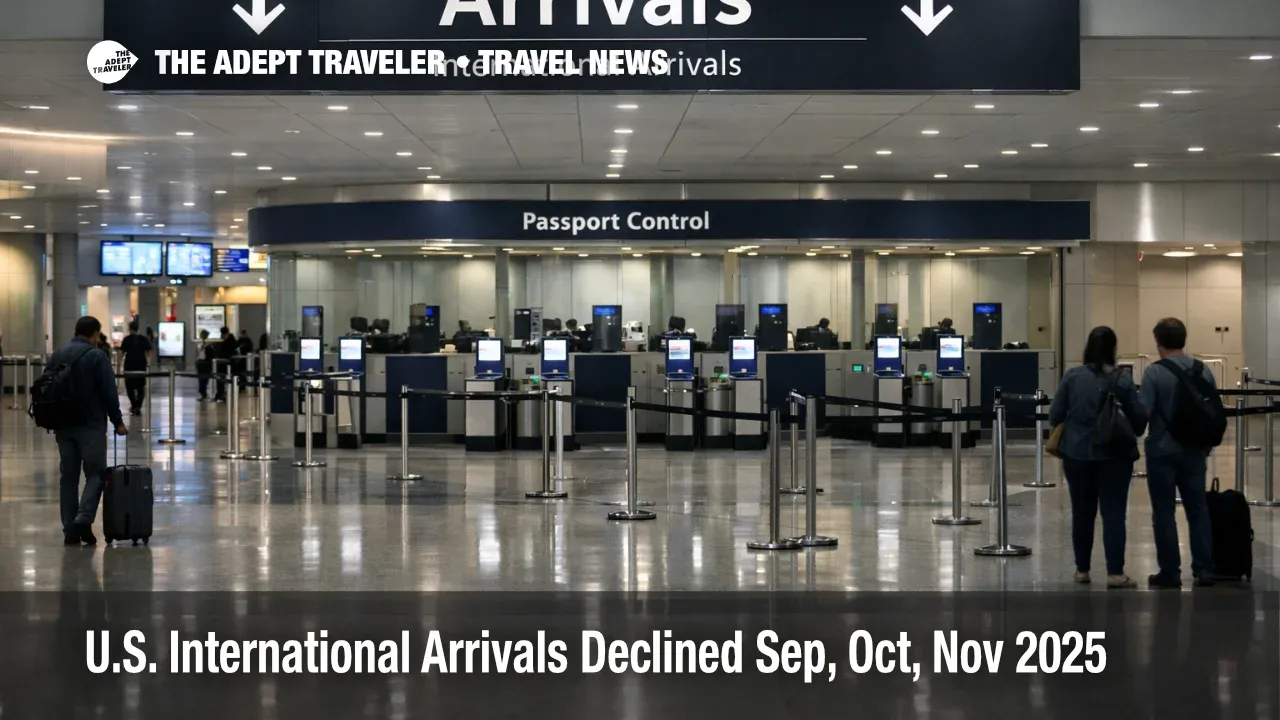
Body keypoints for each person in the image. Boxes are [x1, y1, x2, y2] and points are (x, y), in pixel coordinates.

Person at [1048, 326, 1148, 588]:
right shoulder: (1123, 379)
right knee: (1114, 513)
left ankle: (1082, 570)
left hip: (1077, 454)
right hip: (1115, 456)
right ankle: (1116, 573)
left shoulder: (1072, 377)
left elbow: (1055, 414)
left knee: (1082, 512)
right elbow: (1138, 420)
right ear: (1113, 349)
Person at [1140, 318, 1216, 588]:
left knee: (1164, 511)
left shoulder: (1154, 373)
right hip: (1195, 450)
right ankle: (1204, 569)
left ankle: (1170, 571)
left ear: (1158, 341)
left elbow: (1144, 413)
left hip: (1162, 450)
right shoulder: (1202, 370)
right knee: (1198, 509)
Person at [46, 316, 128, 545]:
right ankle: (83, 520)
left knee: (68, 477)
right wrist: (118, 421)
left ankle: (70, 529)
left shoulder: (57, 355)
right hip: (90, 424)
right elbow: (108, 393)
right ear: (94, 334)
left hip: (63, 425)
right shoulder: (96, 356)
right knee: (96, 474)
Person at [118, 321, 152, 416]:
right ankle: (138, 406)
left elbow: (121, 353)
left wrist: (119, 364)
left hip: (129, 367)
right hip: (141, 366)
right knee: (141, 388)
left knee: (130, 388)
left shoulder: (126, 339)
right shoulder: (143, 339)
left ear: (129, 328)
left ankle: (134, 405)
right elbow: (149, 351)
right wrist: (148, 362)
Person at [215, 327, 237, 402]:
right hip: (224, 364)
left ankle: (220, 394)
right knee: (221, 379)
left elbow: (226, 352)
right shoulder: (230, 340)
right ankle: (221, 394)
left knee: (221, 379)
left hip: (226, 364)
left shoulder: (230, 342)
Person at [196, 329, 216, 401]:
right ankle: (203, 394)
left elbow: (210, 356)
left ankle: (203, 394)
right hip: (201, 364)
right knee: (201, 381)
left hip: (205, 364)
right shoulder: (200, 344)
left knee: (203, 381)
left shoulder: (208, 346)